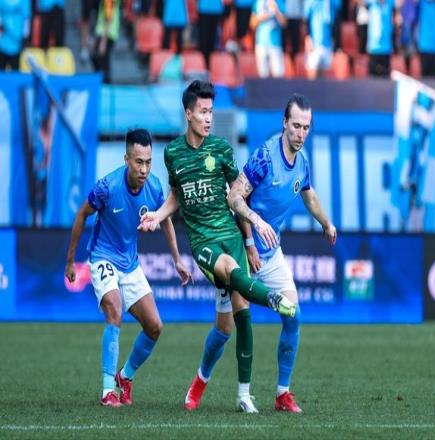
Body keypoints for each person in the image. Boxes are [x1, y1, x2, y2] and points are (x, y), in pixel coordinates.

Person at [138, 80, 296, 413]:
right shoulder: (173, 153)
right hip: (203, 242)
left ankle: (238, 393)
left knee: (232, 323)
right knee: (228, 269)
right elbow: (177, 195)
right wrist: (158, 215)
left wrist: (249, 241)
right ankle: (271, 298)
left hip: (231, 235)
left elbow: (237, 196)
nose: (209, 118)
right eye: (203, 112)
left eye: (211, 111)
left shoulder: (221, 149)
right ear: (188, 114)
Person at [65, 128, 192, 407]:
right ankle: (107, 390)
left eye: (148, 162)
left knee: (155, 326)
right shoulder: (107, 187)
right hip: (102, 257)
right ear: (126, 159)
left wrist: (177, 259)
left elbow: (166, 220)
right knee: (114, 308)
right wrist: (71, 260)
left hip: (130, 264)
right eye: (138, 162)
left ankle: (125, 376)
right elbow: (82, 215)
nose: (144, 169)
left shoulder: (154, 187)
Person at [227, 93, 337, 413]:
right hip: (240, 249)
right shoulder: (265, 156)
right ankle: (206, 385)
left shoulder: (302, 161)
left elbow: (308, 195)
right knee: (226, 328)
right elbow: (235, 198)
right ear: (284, 123)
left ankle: (282, 394)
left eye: (306, 128)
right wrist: (251, 238)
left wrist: (326, 223)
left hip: (271, 253)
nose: (301, 133)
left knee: (293, 315)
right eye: (296, 126)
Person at [250, 0, 287, 78]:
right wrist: (263, 17)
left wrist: (276, 11)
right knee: (262, 77)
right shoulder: (258, 2)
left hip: (275, 44)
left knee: (279, 76)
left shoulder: (279, 2)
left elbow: (284, 23)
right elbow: (252, 23)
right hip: (261, 44)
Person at [0, 0, 31, 71]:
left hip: (17, 43)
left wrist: (25, 36)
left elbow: (26, 19)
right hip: (2, 44)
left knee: (15, 71)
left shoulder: (24, 1)